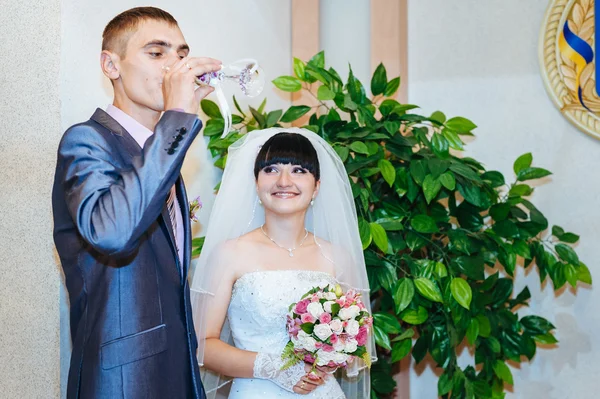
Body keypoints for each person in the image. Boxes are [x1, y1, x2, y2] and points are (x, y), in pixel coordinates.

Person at [52, 7, 220, 398]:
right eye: (156, 53)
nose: (174, 67)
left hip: (175, 373)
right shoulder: (86, 141)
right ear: (111, 64)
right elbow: (112, 233)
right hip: (122, 380)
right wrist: (177, 118)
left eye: (181, 55)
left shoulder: (162, 159)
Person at [190, 128, 376, 398]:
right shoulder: (229, 253)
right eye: (271, 170)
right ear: (256, 183)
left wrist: (331, 354)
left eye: (299, 170)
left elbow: (354, 343)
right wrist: (275, 368)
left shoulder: (337, 257)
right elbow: (203, 345)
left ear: (317, 186)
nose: (284, 181)